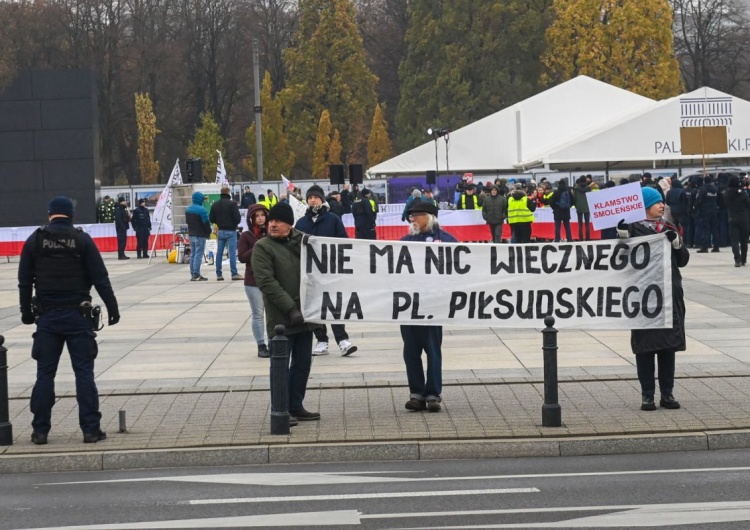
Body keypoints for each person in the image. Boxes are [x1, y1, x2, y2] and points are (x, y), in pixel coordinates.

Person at [18, 197, 120, 445]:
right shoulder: (82, 240)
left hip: (48, 318)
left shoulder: (36, 240)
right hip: (78, 316)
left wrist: (26, 312)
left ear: (50, 214)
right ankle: (90, 430)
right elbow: (100, 278)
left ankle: (40, 431)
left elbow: (24, 281)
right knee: (84, 374)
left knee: (45, 375)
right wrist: (112, 307)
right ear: (70, 215)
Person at [619, 187, 688, 411]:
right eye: (657, 202)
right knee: (645, 348)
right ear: (645, 205)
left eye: (662, 202)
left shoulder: (668, 227)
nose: (662, 205)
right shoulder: (631, 229)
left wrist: (677, 242)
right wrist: (622, 237)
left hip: (668, 294)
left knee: (668, 347)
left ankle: (667, 394)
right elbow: (620, 257)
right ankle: (647, 395)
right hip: (643, 296)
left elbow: (683, 260)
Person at [252, 202, 321, 422]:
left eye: (278, 221)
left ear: (289, 224)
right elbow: (267, 282)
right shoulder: (263, 247)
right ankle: (280, 408)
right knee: (280, 366)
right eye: (271, 220)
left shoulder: (303, 243)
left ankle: (295, 404)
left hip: (306, 315)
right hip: (282, 319)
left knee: (302, 364)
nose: (272, 224)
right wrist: (290, 308)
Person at [400, 200, 457, 413]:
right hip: (409, 307)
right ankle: (416, 393)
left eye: (417, 215)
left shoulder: (446, 241)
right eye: (410, 216)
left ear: (430, 217)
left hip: (434, 306)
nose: (412, 219)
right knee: (411, 352)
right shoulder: (405, 241)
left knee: (433, 351)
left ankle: (433, 393)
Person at [295, 185, 358, 357]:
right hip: (311, 272)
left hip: (331, 271)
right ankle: (321, 339)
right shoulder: (301, 223)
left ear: (322, 199)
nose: (313, 200)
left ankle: (342, 340)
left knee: (334, 306)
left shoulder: (333, 219)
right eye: (310, 198)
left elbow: (343, 241)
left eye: (316, 197)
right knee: (316, 307)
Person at [238, 204, 270, 357]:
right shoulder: (246, 236)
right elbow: (242, 257)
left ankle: (274, 342)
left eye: (262, 215)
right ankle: (261, 345)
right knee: (258, 313)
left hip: (271, 278)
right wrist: (257, 245)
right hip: (253, 280)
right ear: (251, 219)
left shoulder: (272, 232)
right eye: (256, 216)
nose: (260, 218)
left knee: (272, 313)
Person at [209, 185, 243, 281]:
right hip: (231, 231)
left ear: (221, 193)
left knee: (219, 253)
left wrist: (218, 222)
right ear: (229, 193)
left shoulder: (215, 204)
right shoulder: (232, 204)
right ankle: (234, 273)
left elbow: (211, 218)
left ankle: (219, 274)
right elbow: (237, 218)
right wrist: (234, 222)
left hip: (221, 231)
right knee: (232, 253)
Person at [723, 175, 750, 267]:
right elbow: (748, 204)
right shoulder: (742, 193)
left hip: (732, 218)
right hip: (743, 219)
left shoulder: (726, 193)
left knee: (734, 240)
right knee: (744, 241)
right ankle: (743, 259)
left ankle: (737, 258)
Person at [186, 191, 211, 281]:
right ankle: (196, 274)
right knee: (198, 255)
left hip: (191, 234)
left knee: (193, 254)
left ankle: (193, 273)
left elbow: (187, 222)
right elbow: (206, 224)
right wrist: (208, 232)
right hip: (200, 235)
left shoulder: (188, 209)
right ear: (200, 200)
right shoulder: (202, 210)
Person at [694, 175, 720, 253]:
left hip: (705, 211)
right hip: (714, 211)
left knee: (705, 229)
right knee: (714, 229)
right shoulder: (715, 189)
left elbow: (699, 200)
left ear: (704, 181)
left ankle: (705, 247)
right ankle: (716, 246)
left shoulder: (703, 189)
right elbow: (718, 200)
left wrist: (695, 208)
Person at [573, 177, 591, 241]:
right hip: (587, 207)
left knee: (580, 224)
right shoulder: (588, 188)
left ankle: (580, 237)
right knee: (587, 224)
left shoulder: (576, 188)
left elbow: (574, 198)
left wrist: (576, 206)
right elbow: (591, 197)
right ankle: (588, 237)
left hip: (579, 207)